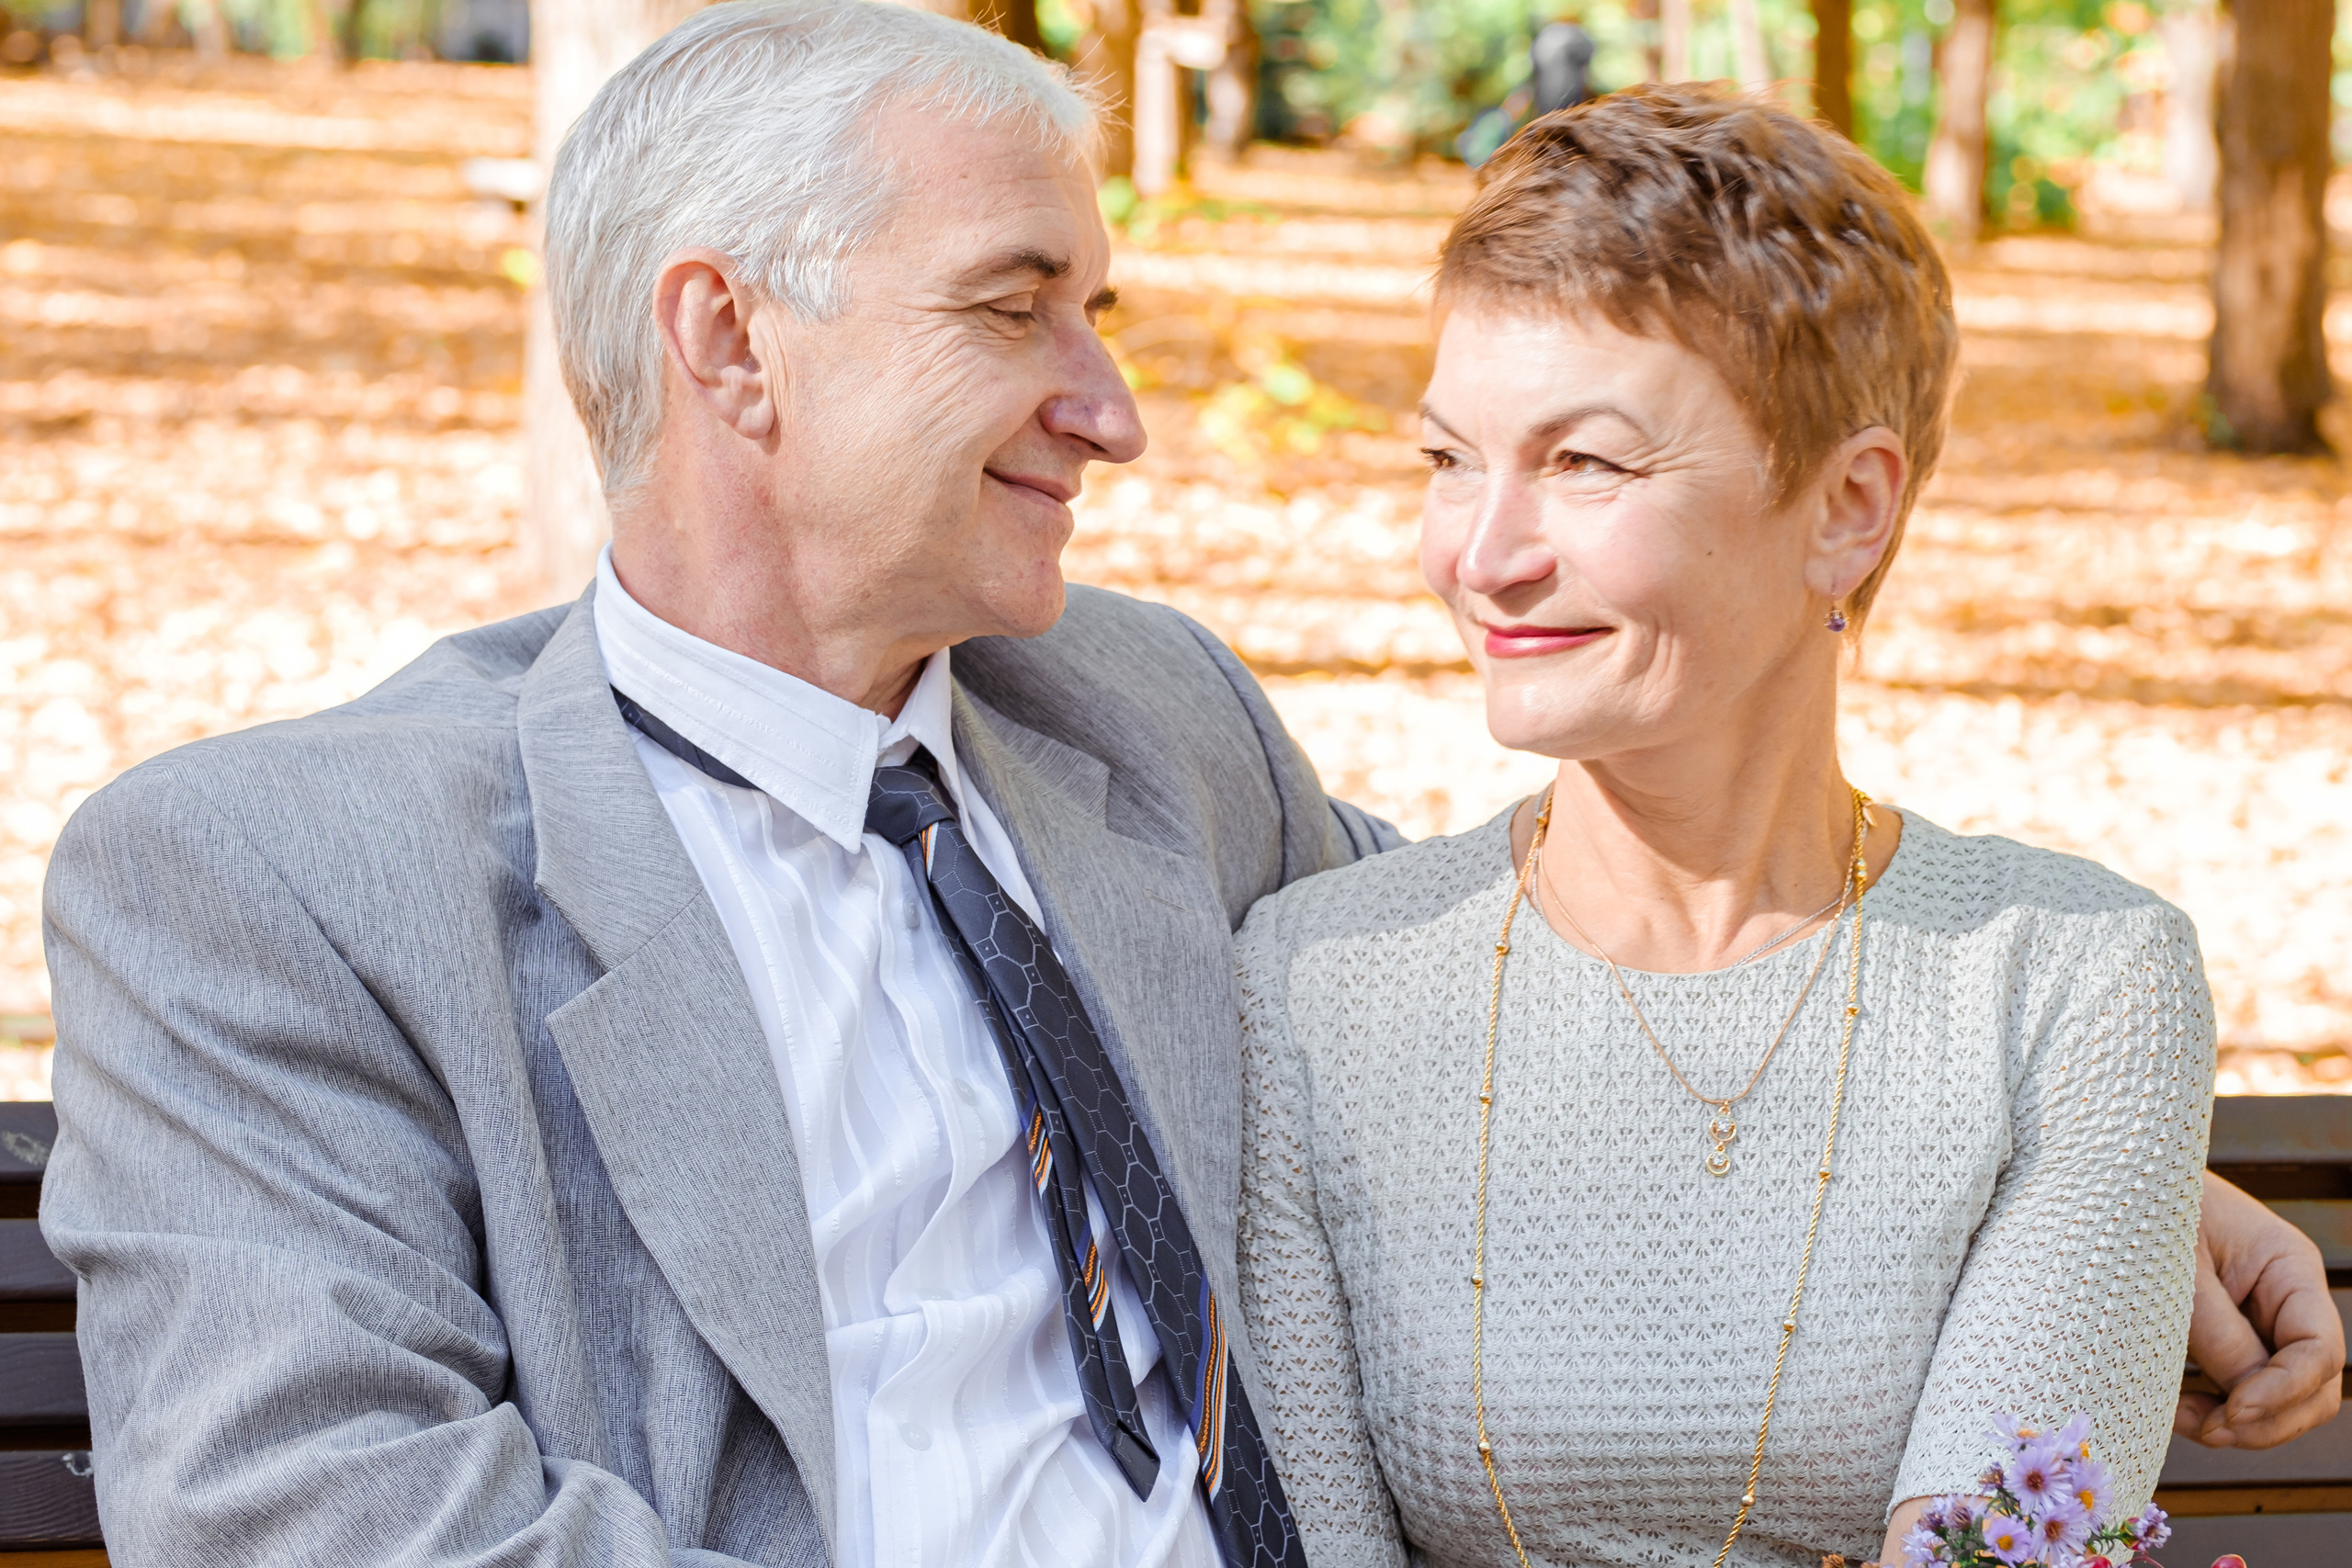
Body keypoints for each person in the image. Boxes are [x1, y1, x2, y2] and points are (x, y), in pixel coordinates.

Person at [33, 9, 2334, 1566]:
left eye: (1100, 315)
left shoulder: (1133, 716)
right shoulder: (282, 874)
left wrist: (2108, 1173)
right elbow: (303, 1515)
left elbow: (1540, 981)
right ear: (728, 338)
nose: (1111, 409)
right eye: (1011, 305)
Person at [1233, 84, 2344, 1568]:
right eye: (1448, 459)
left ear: (1848, 507)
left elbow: (1994, 1549)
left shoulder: (2073, 987)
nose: (1480, 555)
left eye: (1585, 461)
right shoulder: (1317, 981)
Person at [1527, 8, 1595, 118]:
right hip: (1570, 92)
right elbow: (1587, 53)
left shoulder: (1542, 37)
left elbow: (1534, 67)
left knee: (1549, 122)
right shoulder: (1576, 35)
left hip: (1544, 94)